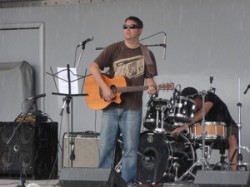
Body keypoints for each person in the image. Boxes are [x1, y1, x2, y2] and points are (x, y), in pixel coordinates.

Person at [88, 16, 158, 186]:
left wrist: (152, 88)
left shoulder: (147, 53)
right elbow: (93, 67)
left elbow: (150, 82)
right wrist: (105, 88)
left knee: (131, 150)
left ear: (139, 30)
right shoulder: (114, 48)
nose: (127, 29)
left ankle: (127, 183)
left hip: (132, 109)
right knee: (106, 148)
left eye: (132, 26)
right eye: (125, 26)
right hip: (110, 108)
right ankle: (103, 183)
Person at [171, 87, 238, 171]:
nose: (189, 106)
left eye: (190, 103)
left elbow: (203, 112)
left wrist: (184, 126)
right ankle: (183, 171)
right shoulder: (193, 110)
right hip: (207, 132)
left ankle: (234, 172)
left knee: (232, 139)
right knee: (185, 143)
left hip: (227, 126)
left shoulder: (209, 96)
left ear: (197, 99)